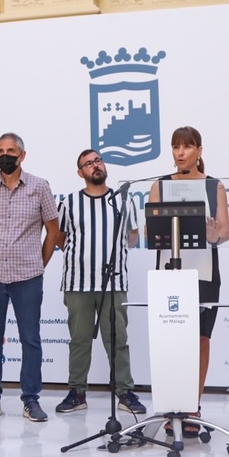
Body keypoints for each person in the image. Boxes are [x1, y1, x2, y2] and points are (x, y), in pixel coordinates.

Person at [0, 132, 62, 422]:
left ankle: (31, 400)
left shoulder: (39, 187)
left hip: (27, 276)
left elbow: (53, 230)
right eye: (0, 151)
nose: (4, 156)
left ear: (22, 155)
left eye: (10, 151)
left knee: (30, 339)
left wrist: (38, 264)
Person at [148, 126, 229, 434]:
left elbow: (225, 231)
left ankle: (193, 405)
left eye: (187, 147)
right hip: (168, 272)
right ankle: (173, 405)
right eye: (176, 147)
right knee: (170, 338)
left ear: (199, 151)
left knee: (200, 339)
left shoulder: (214, 186)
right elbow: (151, 230)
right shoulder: (160, 185)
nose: (180, 153)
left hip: (204, 272)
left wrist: (214, 235)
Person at [54, 149, 146, 416]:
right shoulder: (69, 203)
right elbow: (60, 238)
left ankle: (125, 392)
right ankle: (77, 392)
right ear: (80, 172)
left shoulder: (123, 201)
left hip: (114, 284)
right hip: (78, 283)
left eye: (98, 161)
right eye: (88, 164)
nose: (95, 166)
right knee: (79, 340)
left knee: (118, 340)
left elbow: (132, 237)